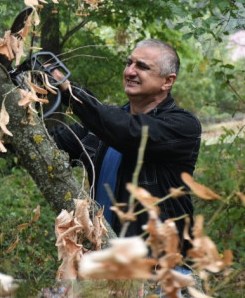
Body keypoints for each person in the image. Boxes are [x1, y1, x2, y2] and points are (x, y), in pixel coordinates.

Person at [50, 38, 201, 257]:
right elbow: (49, 142)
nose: (130, 71)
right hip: (104, 258)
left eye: (142, 66)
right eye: (129, 63)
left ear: (167, 81)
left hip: (159, 267)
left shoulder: (182, 126)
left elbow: (129, 133)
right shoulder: (101, 126)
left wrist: (67, 88)